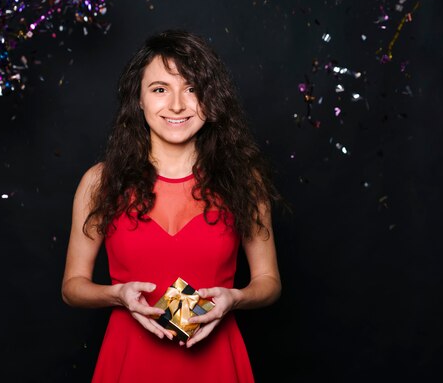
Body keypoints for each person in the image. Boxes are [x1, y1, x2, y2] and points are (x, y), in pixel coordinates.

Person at [61, 29, 283, 382]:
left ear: (211, 100)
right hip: (129, 362)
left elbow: (269, 282)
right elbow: (72, 286)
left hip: (217, 364)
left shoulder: (244, 180)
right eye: (160, 89)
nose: (177, 104)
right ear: (139, 99)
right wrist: (117, 294)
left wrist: (234, 298)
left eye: (192, 89)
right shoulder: (100, 181)